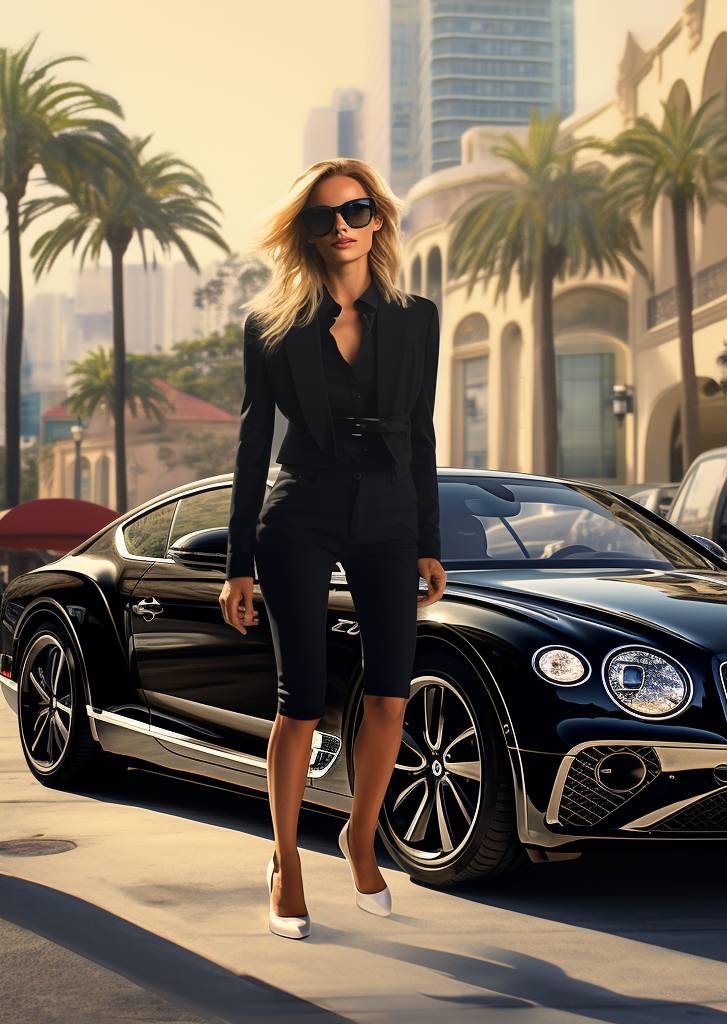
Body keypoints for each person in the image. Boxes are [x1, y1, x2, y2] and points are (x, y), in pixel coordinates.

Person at [219, 158, 446, 939]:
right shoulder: (271, 326)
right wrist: (237, 563)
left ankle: (359, 831)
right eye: (322, 218)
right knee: (302, 701)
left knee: (390, 694)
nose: (340, 228)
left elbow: (421, 434)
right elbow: (255, 443)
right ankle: (286, 859)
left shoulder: (419, 317)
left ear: (376, 218)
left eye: (353, 212)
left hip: (388, 513)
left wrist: (427, 541)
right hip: (301, 510)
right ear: (306, 233)